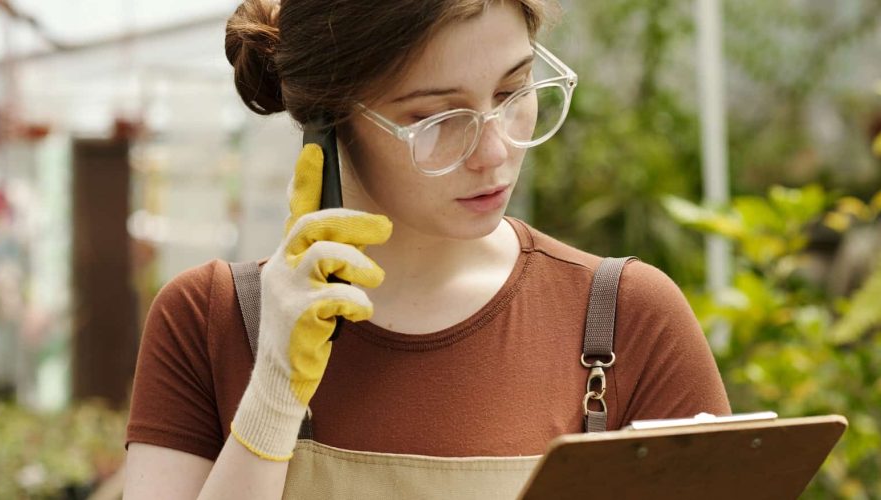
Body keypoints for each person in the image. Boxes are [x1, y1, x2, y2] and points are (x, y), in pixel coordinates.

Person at [122, 0, 730, 498]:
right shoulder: (209, 319)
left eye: (515, 91)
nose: (495, 150)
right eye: (438, 118)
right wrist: (273, 391)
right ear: (330, 125)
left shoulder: (627, 319)